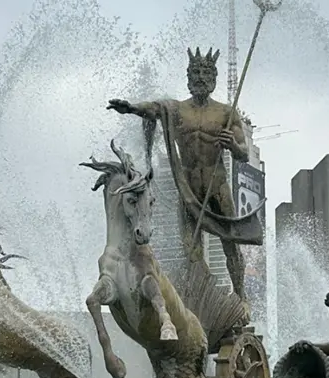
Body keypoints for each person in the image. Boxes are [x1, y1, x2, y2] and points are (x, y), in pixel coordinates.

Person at [107, 47, 255, 318]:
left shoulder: (226, 113)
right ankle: (205, 295)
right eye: (195, 73)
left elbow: (243, 153)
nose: (200, 77)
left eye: (206, 73)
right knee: (191, 248)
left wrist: (233, 144)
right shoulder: (176, 109)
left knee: (230, 242)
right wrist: (131, 108)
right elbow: (153, 109)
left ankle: (241, 296)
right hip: (188, 188)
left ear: (214, 78)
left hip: (217, 184)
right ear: (188, 78)